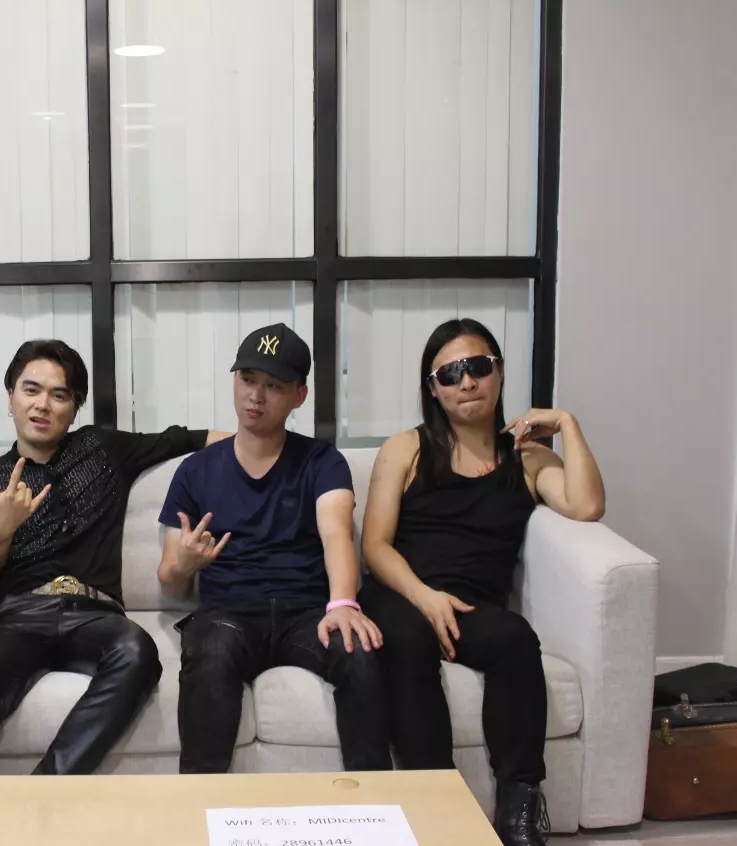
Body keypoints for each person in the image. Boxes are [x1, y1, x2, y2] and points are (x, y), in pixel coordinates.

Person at [0, 340, 229, 775]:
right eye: (31, 390)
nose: (42, 405)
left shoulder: (101, 447)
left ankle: (47, 788)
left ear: (74, 408)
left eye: (59, 395)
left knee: (138, 652)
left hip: (96, 612)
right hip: (19, 615)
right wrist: (3, 526)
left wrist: (273, 445)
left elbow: (192, 439)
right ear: (10, 398)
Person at [359, 318, 605, 846]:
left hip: (473, 606)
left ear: (499, 372)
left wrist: (568, 423)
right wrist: (425, 597)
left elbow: (587, 505)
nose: (466, 382)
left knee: (516, 639)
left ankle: (520, 804)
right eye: (450, 374)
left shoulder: (528, 459)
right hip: (402, 591)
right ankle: (437, 803)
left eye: (477, 367)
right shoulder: (406, 449)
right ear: (433, 389)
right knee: (408, 638)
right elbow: (374, 546)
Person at [156, 323, 392, 774]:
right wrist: (184, 564)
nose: (256, 396)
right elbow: (169, 578)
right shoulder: (195, 470)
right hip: (228, 613)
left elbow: (336, 532)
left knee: (358, 650)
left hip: (307, 612)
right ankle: (198, 802)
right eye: (247, 379)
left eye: (274, 386)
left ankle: (371, 801)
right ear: (234, 380)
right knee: (210, 652)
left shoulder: (322, 461)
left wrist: (343, 603)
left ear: (299, 396)